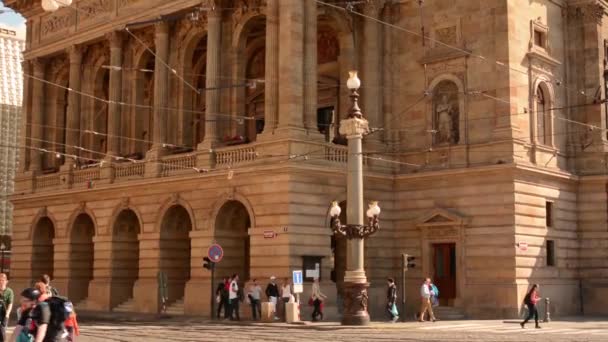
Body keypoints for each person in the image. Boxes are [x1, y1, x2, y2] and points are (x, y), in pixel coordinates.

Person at [0, 274, 14, 342]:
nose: (1, 282)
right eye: (0, 280)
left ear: (6, 281)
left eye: (2, 280)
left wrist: (7, 314)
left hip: (4, 314)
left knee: (2, 331)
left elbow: (10, 303)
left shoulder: (9, 291)